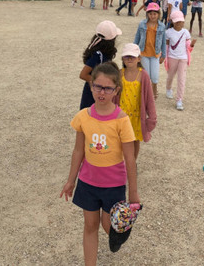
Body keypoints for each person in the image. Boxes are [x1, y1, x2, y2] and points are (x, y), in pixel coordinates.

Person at [60, 62, 140, 265]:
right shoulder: (83, 117)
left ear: (116, 90)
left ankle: (118, 233)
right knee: (90, 226)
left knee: (108, 225)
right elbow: (78, 151)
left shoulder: (122, 120)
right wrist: (71, 181)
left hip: (114, 184)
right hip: (88, 181)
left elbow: (130, 159)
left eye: (107, 88)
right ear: (91, 85)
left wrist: (133, 193)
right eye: (97, 86)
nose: (101, 92)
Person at [115, 43, 157, 160]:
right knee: (120, 140)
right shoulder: (119, 74)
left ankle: (132, 163)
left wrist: (152, 117)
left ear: (139, 58)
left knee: (134, 141)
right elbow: (114, 96)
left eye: (132, 56)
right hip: (121, 116)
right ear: (122, 58)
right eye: (126, 56)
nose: (129, 59)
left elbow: (149, 98)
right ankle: (121, 164)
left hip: (137, 116)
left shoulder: (143, 75)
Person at [79, 21, 122, 109]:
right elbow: (83, 74)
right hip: (93, 92)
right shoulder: (97, 55)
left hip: (100, 91)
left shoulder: (104, 53)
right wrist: (99, 83)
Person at [134, 2, 166, 100]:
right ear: (147, 14)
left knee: (155, 76)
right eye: (150, 13)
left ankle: (154, 88)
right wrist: (134, 52)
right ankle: (147, 93)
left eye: (155, 14)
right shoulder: (142, 24)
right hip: (144, 53)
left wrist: (163, 55)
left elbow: (164, 41)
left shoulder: (162, 26)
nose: (152, 16)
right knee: (146, 76)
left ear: (158, 14)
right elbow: (137, 38)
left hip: (155, 54)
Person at [165, 10, 196, 110]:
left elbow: (187, 45)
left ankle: (179, 100)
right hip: (172, 57)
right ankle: (168, 88)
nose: (179, 24)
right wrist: (164, 57)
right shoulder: (168, 32)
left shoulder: (186, 32)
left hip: (183, 58)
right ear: (172, 21)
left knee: (181, 79)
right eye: (177, 22)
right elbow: (166, 46)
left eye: (181, 21)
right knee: (170, 76)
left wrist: (191, 45)